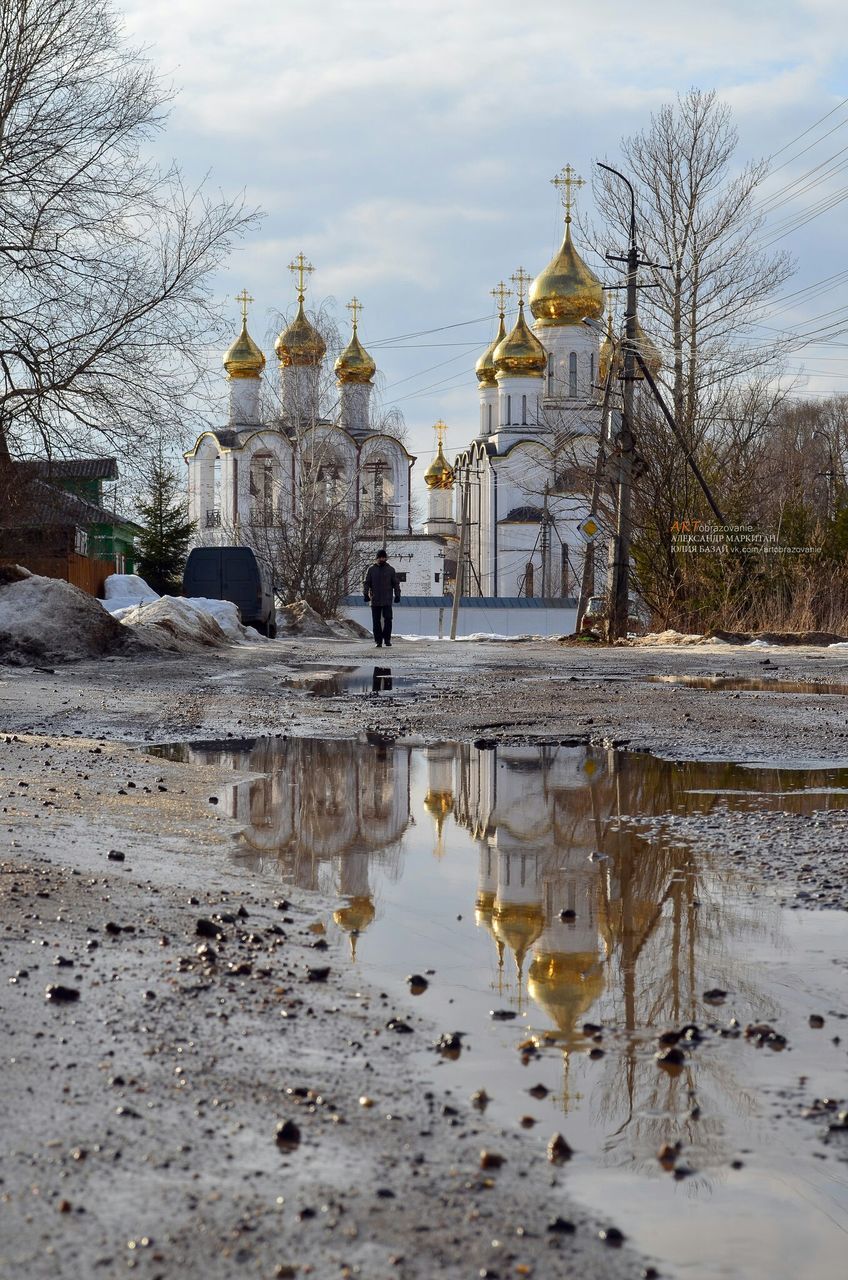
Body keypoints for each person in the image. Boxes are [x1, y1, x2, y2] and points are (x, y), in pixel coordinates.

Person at [364, 548, 400, 648]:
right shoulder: (371, 570)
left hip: (387, 599)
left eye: (383, 557)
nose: (382, 559)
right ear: (377, 558)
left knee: (388, 619)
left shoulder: (390, 570)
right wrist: (365, 594)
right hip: (375, 599)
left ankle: (387, 639)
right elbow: (367, 583)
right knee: (376, 621)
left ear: (386, 558)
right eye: (380, 557)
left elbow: (396, 583)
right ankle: (378, 641)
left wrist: (397, 595)